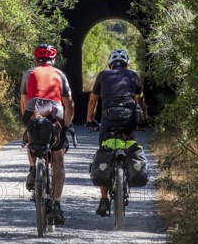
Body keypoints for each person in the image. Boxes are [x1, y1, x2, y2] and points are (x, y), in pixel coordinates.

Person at [85, 49, 147, 217]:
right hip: (129, 118)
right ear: (126, 63)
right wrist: (144, 120)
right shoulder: (133, 76)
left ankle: (104, 199)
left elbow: (92, 101)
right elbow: (140, 101)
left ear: (110, 64)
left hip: (108, 117)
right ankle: (128, 170)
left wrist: (90, 120)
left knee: (104, 150)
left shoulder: (103, 75)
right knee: (129, 145)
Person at [20, 44, 74, 225]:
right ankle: (57, 204)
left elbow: (23, 102)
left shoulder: (28, 73)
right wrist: (66, 125)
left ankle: (33, 168)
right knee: (58, 159)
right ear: (54, 60)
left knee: (30, 135)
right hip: (54, 111)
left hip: (32, 109)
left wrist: (27, 125)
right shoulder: (60, 74)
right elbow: (70, 104)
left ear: (36, 60)